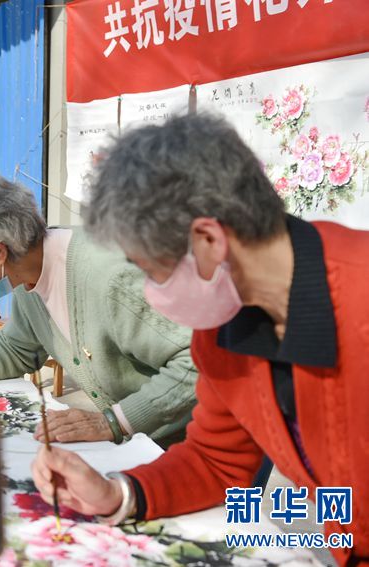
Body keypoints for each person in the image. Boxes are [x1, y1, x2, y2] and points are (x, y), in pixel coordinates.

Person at [31, 114, 366, 565]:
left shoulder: (358, 299)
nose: (151, 293)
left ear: (208, 239)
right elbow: (217, 460)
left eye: (151, 271)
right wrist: (117, 493)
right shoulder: (223, 333)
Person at [0, 170, 197, 447]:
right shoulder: (27, 273)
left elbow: (197, 364)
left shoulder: (108, 277)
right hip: (153, 446)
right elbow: (18, 347)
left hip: (202, 443)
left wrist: (114, 422)